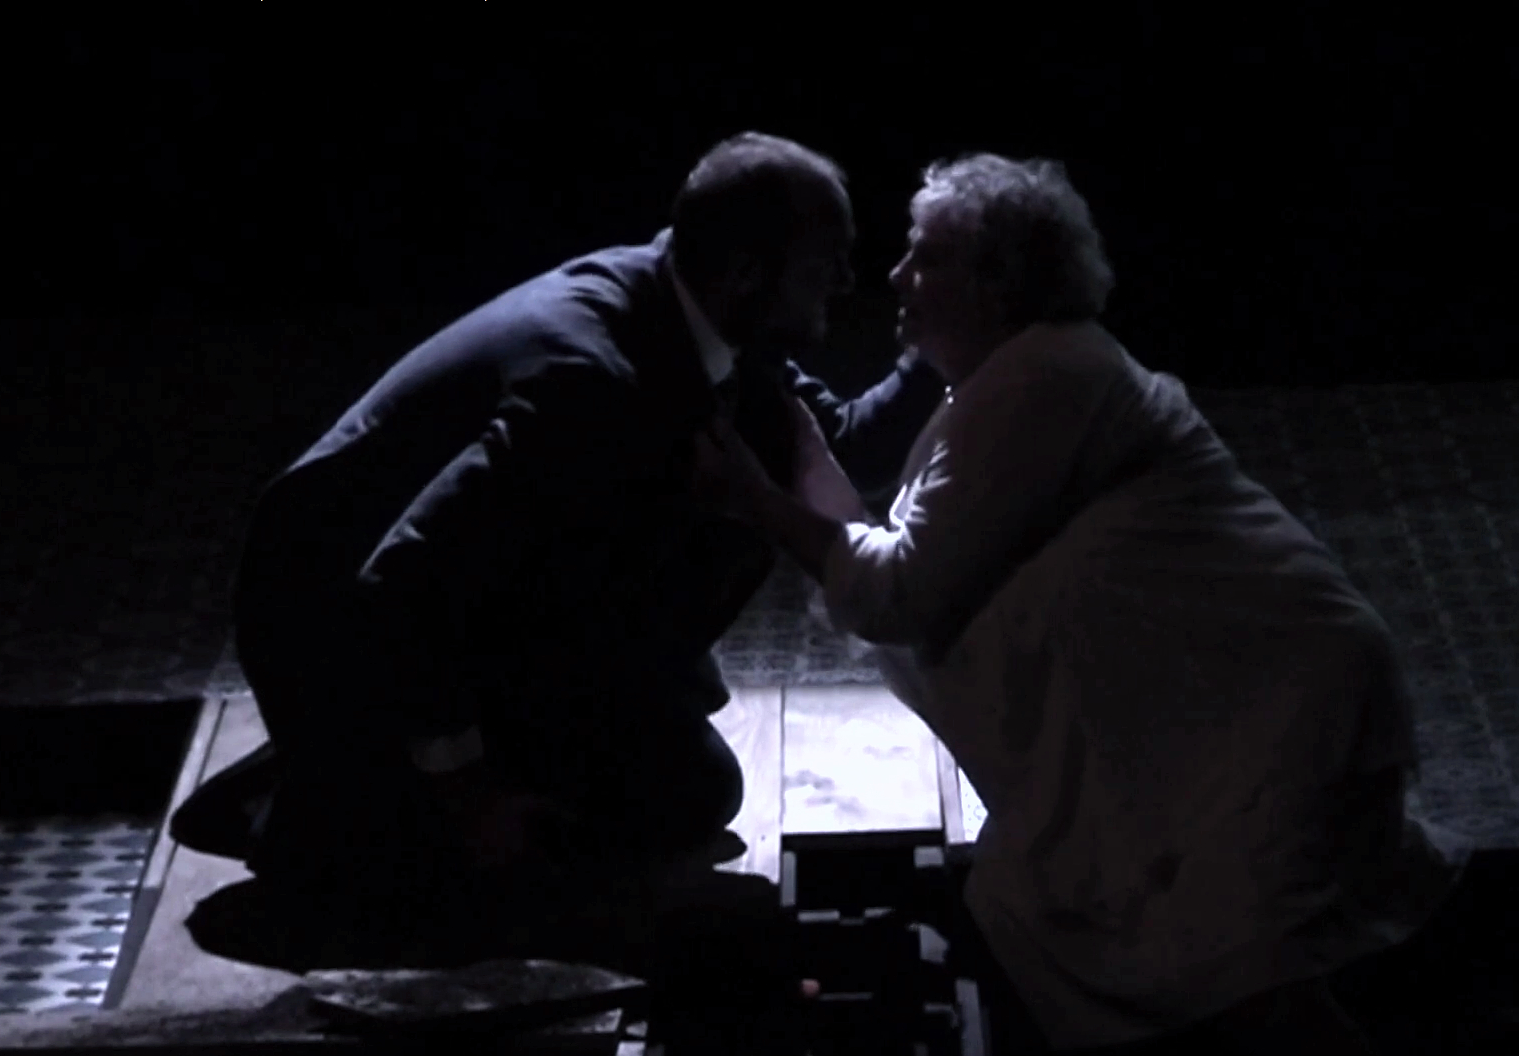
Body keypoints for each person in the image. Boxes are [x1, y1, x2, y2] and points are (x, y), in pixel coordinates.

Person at [694, 153, 1467, 1053]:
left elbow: (899, 590)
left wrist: (758, 501)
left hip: (1272, 703)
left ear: (996, 283)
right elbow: (885, 556)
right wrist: (792, 446)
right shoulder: (1005, 382)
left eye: (925, 257)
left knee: (1252, 984)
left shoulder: (1049, 375)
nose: (897, 278)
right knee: (1207, 967)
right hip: (1216, 717)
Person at [170, 132, 947, 937]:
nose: (848, 282)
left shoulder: (695, 302)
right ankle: (323, 795)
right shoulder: (589, 378)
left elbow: (841, 449)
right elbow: (404, 583)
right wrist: (470, 798)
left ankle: (396, 766)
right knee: (646, 806)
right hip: (333, 626)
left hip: (462, 598)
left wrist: (938, 349)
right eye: (824, 266)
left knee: (688, 784)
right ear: (749, 272)